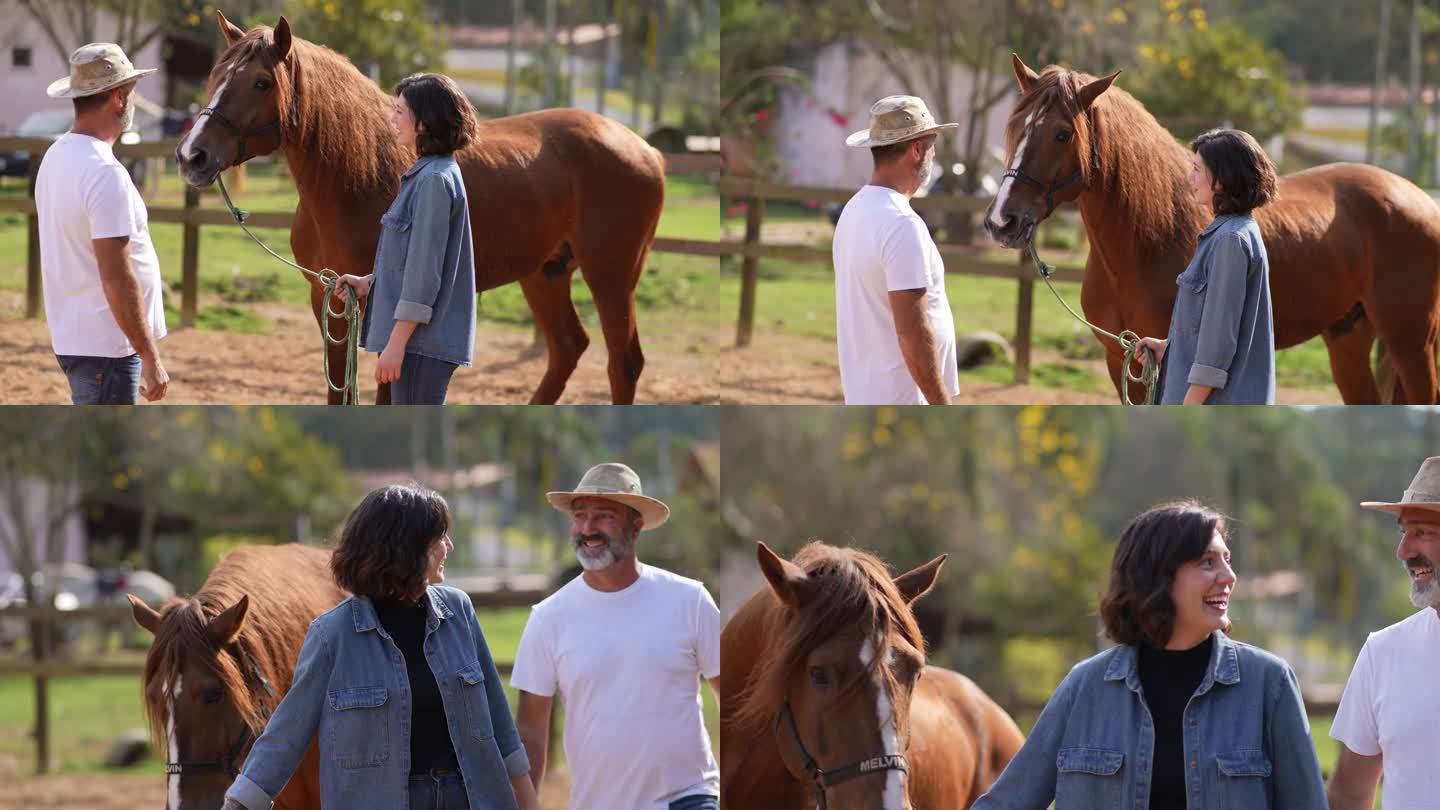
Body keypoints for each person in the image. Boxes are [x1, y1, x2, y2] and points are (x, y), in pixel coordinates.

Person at [972, 501, 1326, 810]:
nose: (1229, 576)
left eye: (1227, 560)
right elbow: (1009, 802)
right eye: (1207, 562)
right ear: (1157, 576)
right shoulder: (1085, 688)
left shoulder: (1269, 684)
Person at [222, 485, 539, 810]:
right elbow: (286, 735)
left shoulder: (459, 613)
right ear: (407, 548)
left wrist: (528, 802)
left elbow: (499, 720)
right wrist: (240, 804)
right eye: (439, 537)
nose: (449, 546)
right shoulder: (332, 636)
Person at [510, 463, 721, 810]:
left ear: (635, 526)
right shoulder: (548, 619)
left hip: (689, 799)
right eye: (580, 516)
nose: (588, 528)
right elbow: (531, 733)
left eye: (604, 516)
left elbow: (734, 704)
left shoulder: (690, 600)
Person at [36, 43, 169, 404]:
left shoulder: (54, 157)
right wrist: (150, 356)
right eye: (131, 90)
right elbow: (116, 276)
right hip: (107, 348)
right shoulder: (105, 172)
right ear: (117, 99)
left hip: (76, 339)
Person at [335, 73, 477, 404]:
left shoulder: (432, 182)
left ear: (424, 124)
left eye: (399, 112)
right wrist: (369, 282)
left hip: (420, 346)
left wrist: (396, 344)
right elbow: (411, 261)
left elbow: (424, 276)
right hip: (419, 342)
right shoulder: (431, 174)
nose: (392, 119)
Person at [1327, 456, 1440, 809]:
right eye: (1403, 532)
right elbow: (1348, 793)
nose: (1403, 551)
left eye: (1421, 532)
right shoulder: (1383, 652)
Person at [1133, 128, 1277, 404]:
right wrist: (1169, 350)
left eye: (1197, 169)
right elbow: (1212, 327)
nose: (1191, 177)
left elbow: (1218, 344)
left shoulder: (1230, 241)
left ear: (1222, 179)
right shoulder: (1233, 232)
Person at [833, 95, 960, 405]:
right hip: (906, 397)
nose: (933, 155)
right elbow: (912, 332)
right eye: (931, 145)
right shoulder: (902, 224)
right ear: (917, 150)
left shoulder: (854, 210)